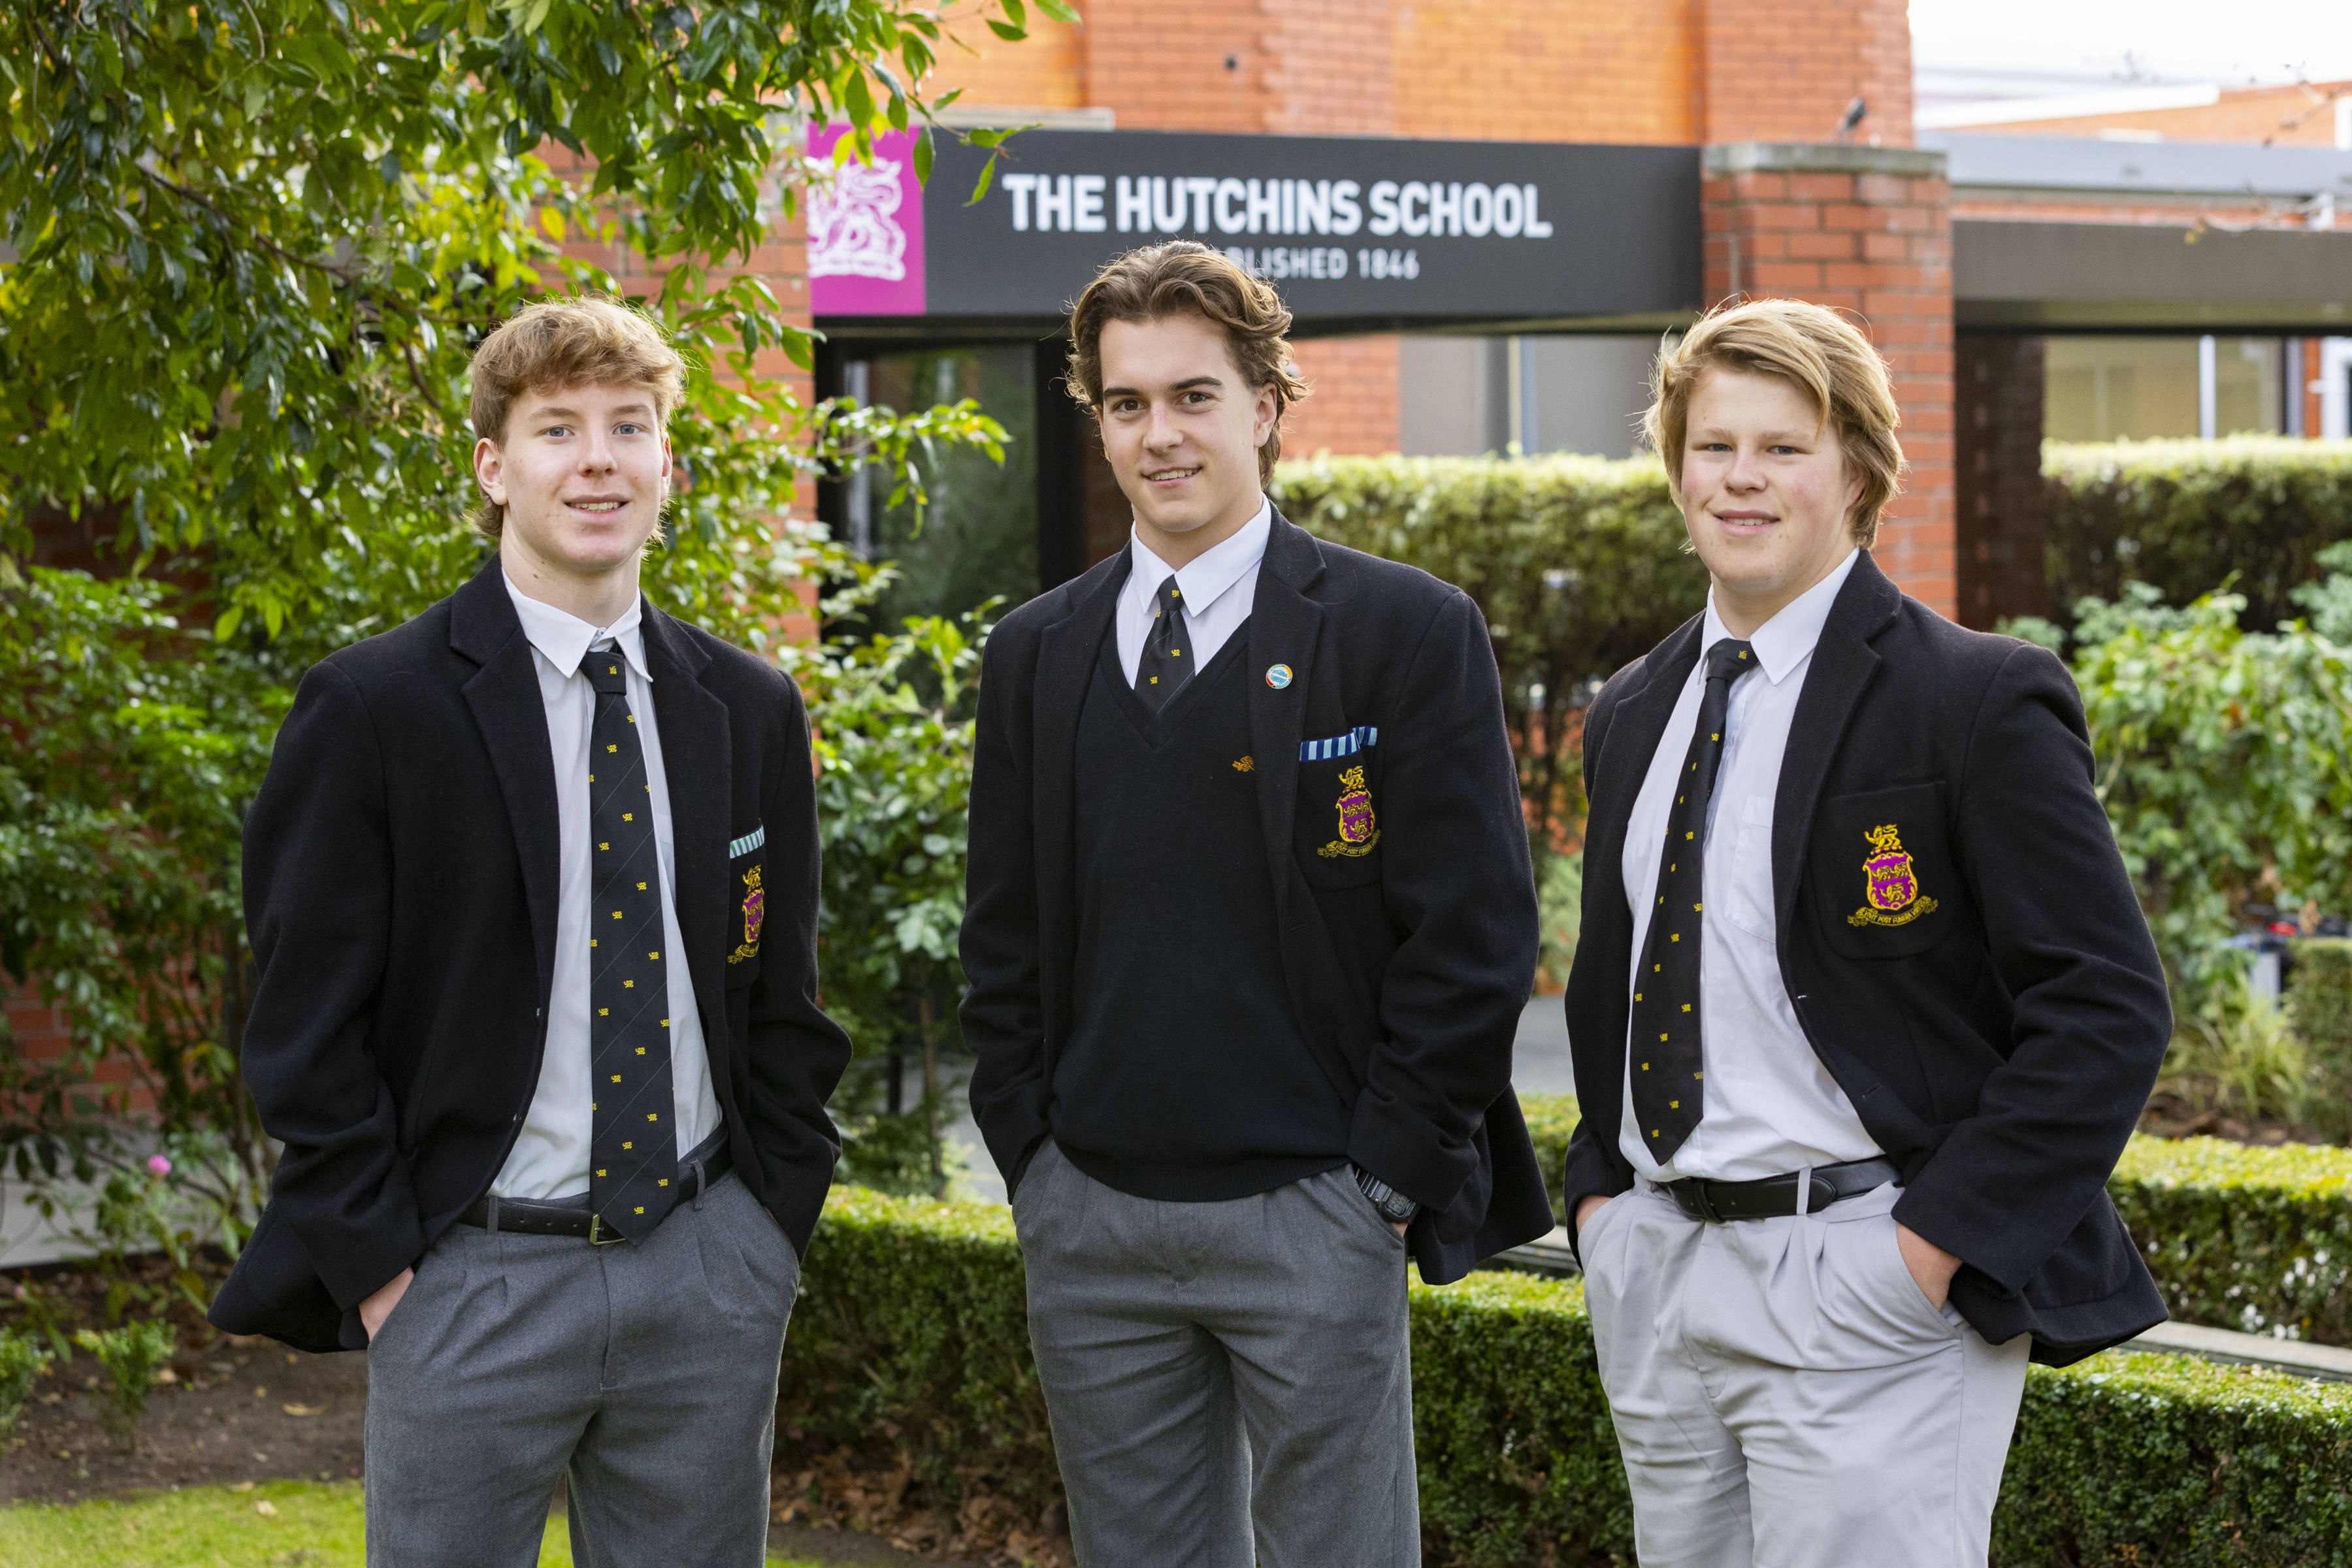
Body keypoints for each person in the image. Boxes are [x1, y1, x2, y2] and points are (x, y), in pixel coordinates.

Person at [208, 298, 852, 1566]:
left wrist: (768, 1227)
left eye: (629, 425)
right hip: (470, 1283)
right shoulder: (373, 708)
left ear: (670, 463)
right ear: (496, 469)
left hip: (704, 1268)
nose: (598, 458)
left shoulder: (751, 709)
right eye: (557, 429)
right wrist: (393, 1275)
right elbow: (299, 1024)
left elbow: (783, 996)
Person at [958, 240, 1555, 1568]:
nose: (1159, 435)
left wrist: (1383, 1183)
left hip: (1315, 1213)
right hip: (1092, 1217)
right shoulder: (1035, 652)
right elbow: (1000, 934)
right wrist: (1034, 1162)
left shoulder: (1404, 630)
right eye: (1126, 404)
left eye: (1194, 396)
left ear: (1268, 404)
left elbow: (1473, 936)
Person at [1560, 297, 2172, 1567]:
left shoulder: (1976, 700)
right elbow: (1618, 986)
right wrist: (1601, 1209)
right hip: (1659, 1274)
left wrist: (1924, 1253)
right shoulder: (1632, 710)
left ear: (1858, 468)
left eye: (1783, 447)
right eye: (1713, 445)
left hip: (1862, 1279)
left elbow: (2107, 1008)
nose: (1741, 479)